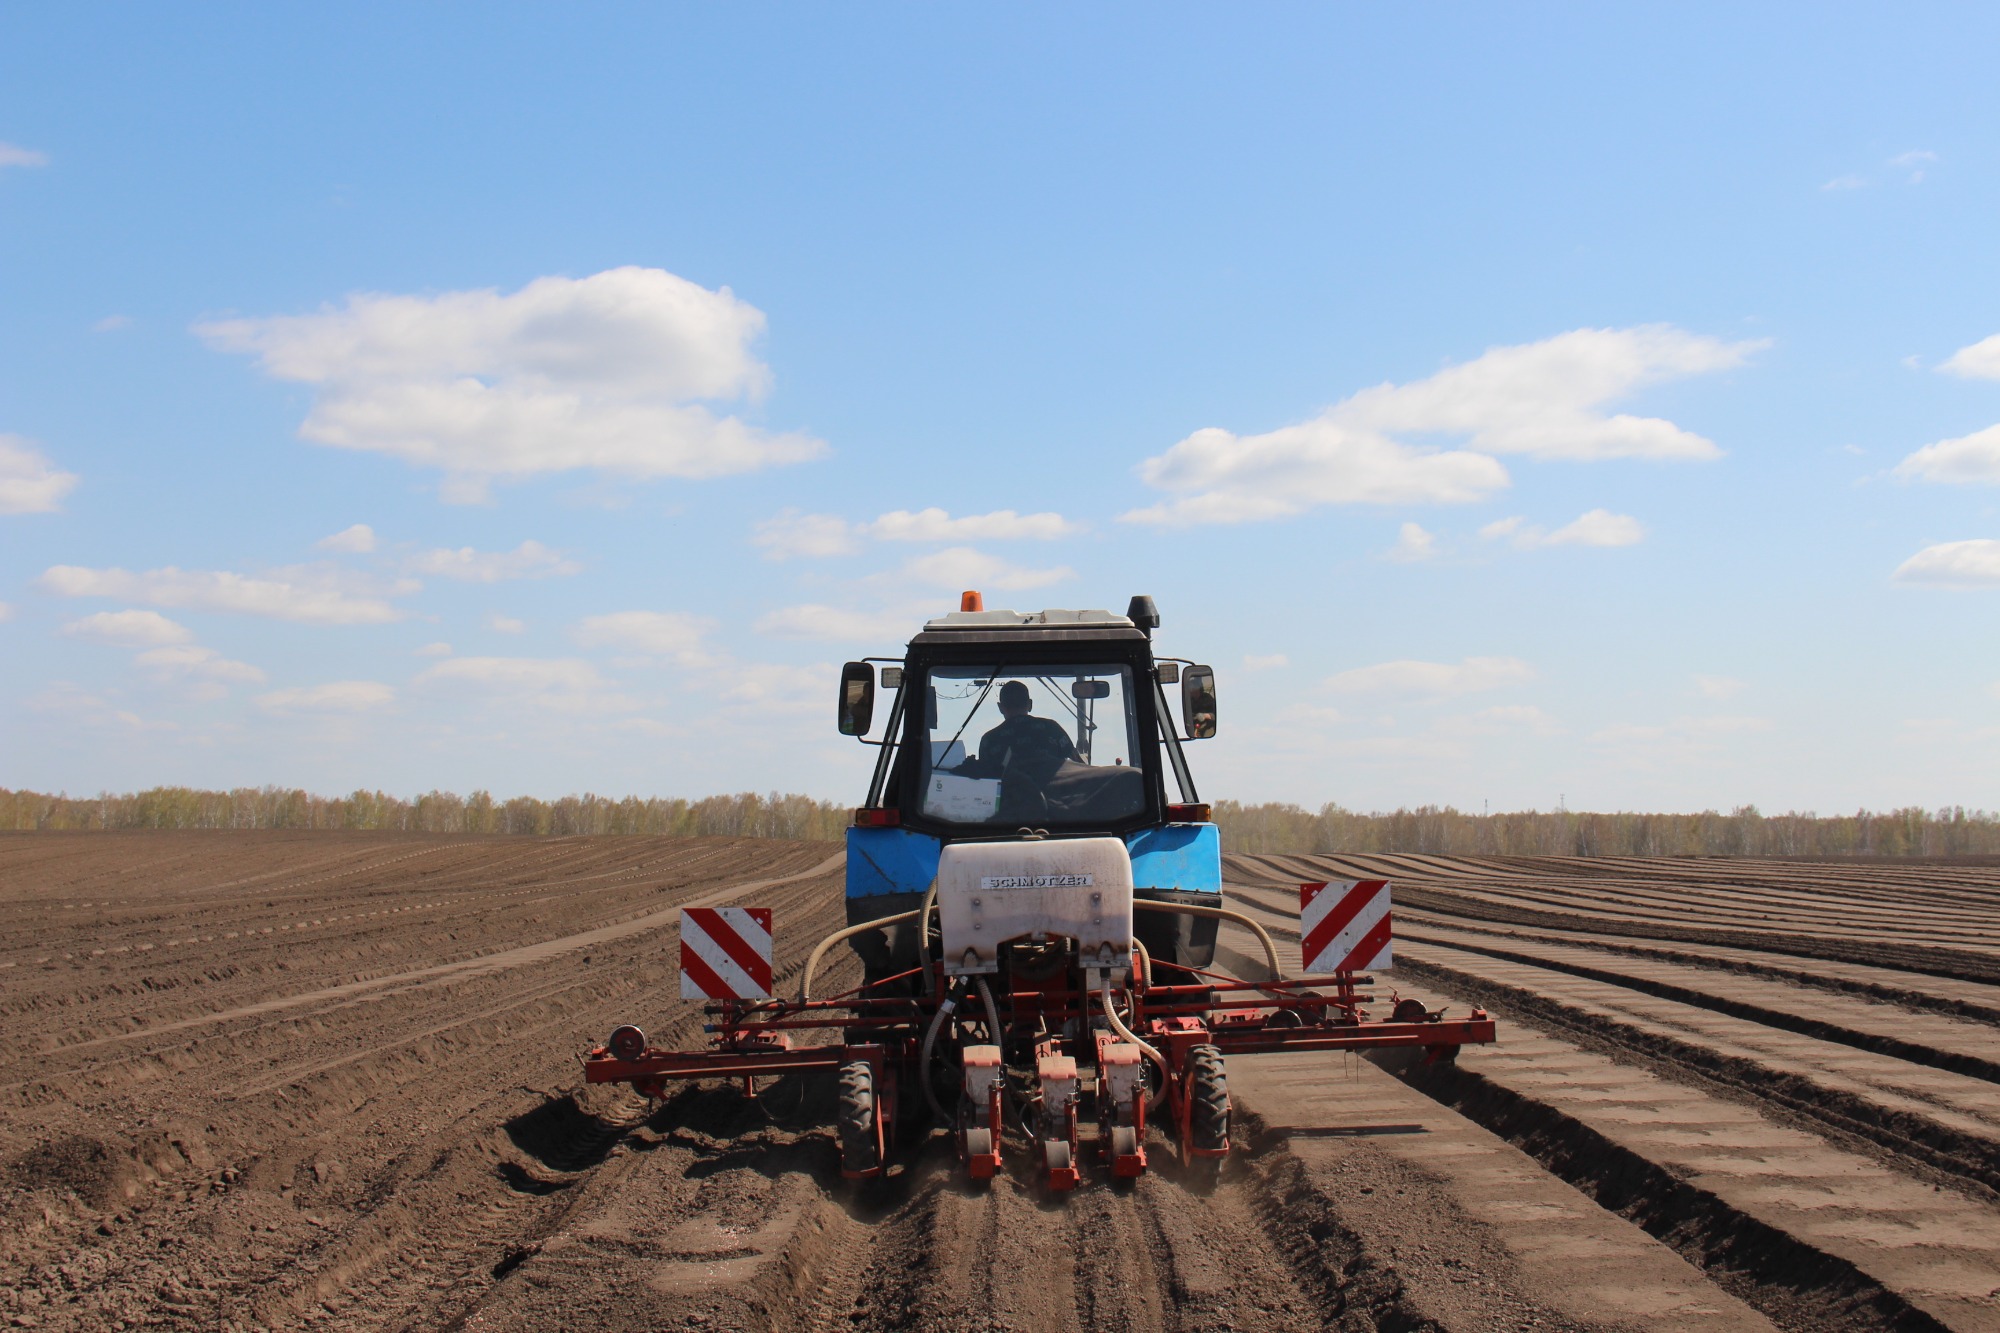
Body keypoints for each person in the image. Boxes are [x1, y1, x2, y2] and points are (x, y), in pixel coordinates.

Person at [955, 680, 1080, 816]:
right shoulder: (1052, 728)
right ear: (1030, 704)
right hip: (1056, 811)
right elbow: (1078, 765)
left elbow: (987, 785)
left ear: (1000, 707)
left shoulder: (990, 739)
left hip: (1009, 815)